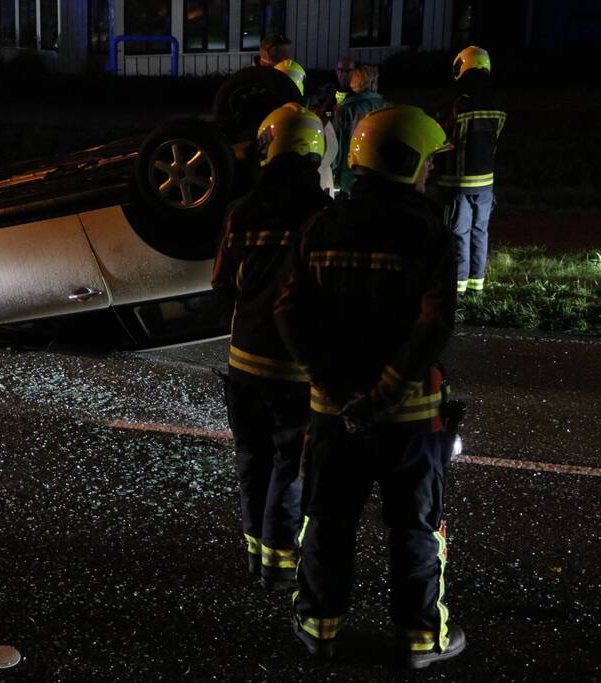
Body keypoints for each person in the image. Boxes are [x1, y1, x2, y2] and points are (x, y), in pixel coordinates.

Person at [274, 105, 464, 670]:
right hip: (409, 420)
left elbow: (288, 313)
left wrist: (333, 387)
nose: (430, 172)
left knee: (328, 522)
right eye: (427, 161)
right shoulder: (431, 231)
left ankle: (317, 628)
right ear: (407, 161)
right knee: (415, 528)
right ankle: (420, 641)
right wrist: (382, 394)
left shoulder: (322, 225)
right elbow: (434, 327)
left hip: (334, 416)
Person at [212, 103, 331, 591]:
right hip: (297, 367)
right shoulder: (326, 216)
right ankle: (281, 568)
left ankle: (254, 554)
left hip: (244, 361)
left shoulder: (240, 211)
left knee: (251, 457)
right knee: (290, 463)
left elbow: (221, 284)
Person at [436, 46, 505, 295]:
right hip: (486, 183)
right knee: (480, 232)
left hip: (459, 183)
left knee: (459, 233)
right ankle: (478, 285)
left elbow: (442, 143)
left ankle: (458, 287)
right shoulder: (498, 106)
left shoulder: (455, 108)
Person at [332, 64, 386, 195]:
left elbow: (337, 142)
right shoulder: (385, 107)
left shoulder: (346, 109)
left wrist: (334, 169)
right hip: (379, 169)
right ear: (373, 82)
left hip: (350, 171)